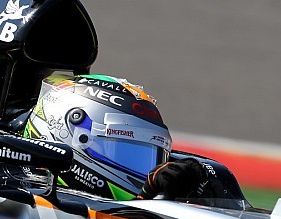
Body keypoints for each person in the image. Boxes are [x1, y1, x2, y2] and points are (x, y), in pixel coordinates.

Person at [21, 73, 209, 201]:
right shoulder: (12, 200)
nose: (148, 175)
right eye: (125, 152)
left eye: (148, 158)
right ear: (77, 137)